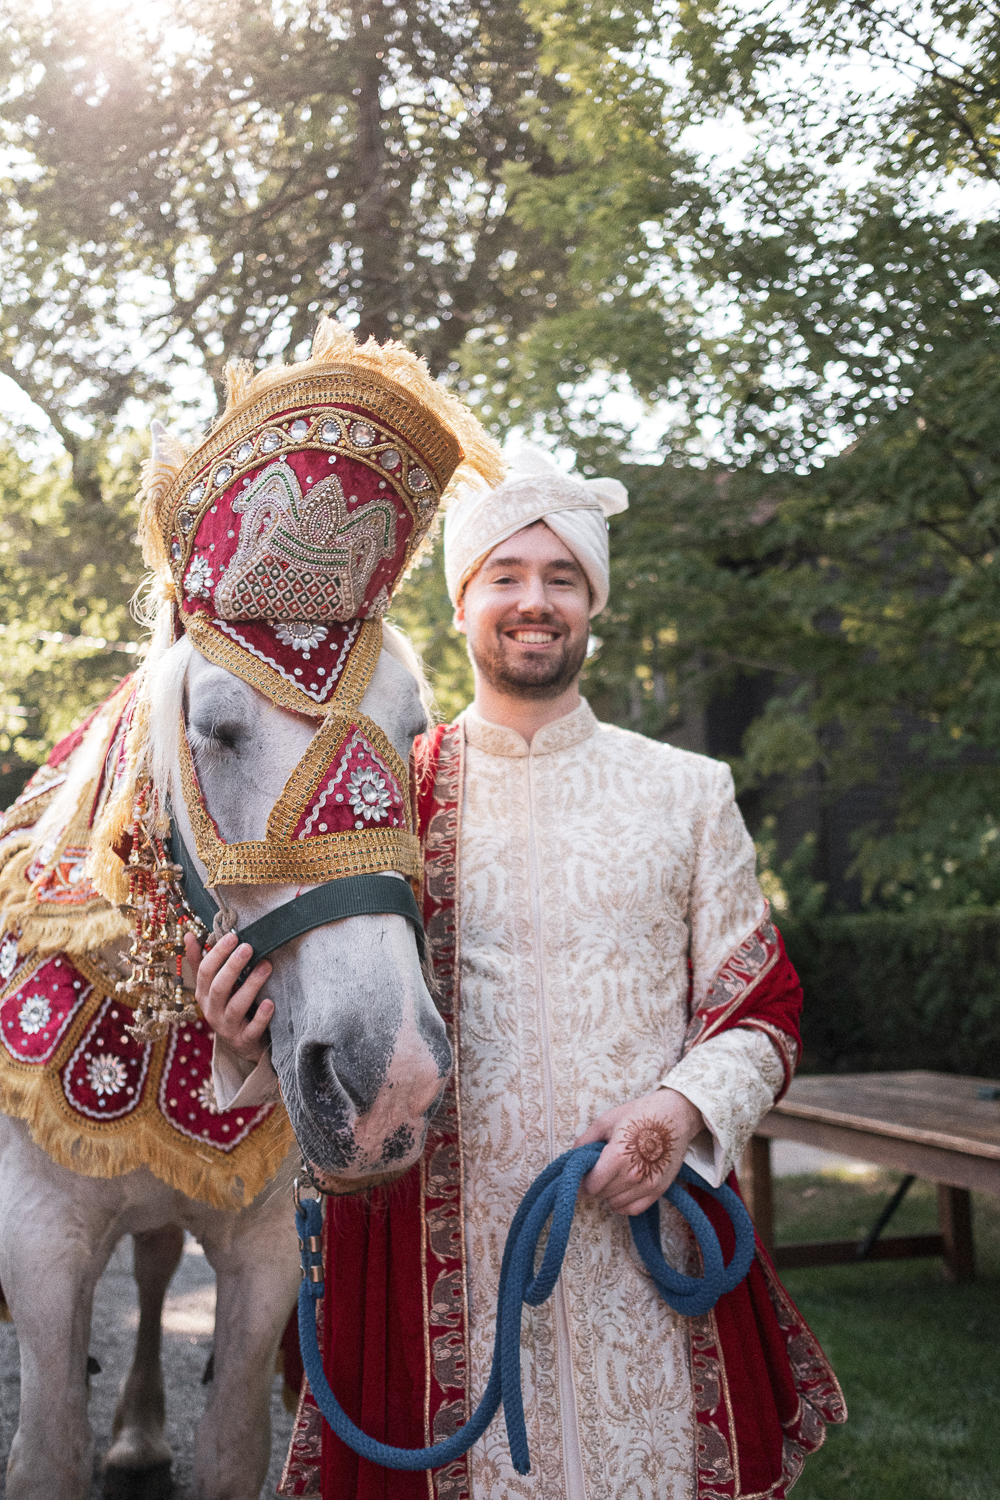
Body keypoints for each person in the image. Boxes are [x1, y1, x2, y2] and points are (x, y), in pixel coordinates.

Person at [197, 446, 845, 1500]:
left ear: (593, 604)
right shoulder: (387, 794)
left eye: (560, 579)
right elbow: (334, 1004)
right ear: (462, 604)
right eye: (504, 575)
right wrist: (248, 1039)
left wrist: (673, 1118)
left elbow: (760, 1014)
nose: (532, 602)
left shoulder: (685, 791)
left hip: (650, 1248)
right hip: (440, 1260)